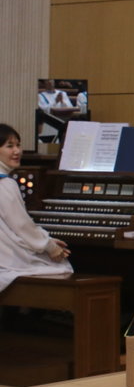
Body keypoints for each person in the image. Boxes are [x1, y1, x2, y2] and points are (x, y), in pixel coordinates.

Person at [0, 124, 73, 292]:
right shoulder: (5, 183)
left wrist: (46, 240)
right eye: (9, 146)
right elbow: (21, 225)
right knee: (61, 266)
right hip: (7, 258)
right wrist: (49, 245)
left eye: (18, 145)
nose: (17, 151)